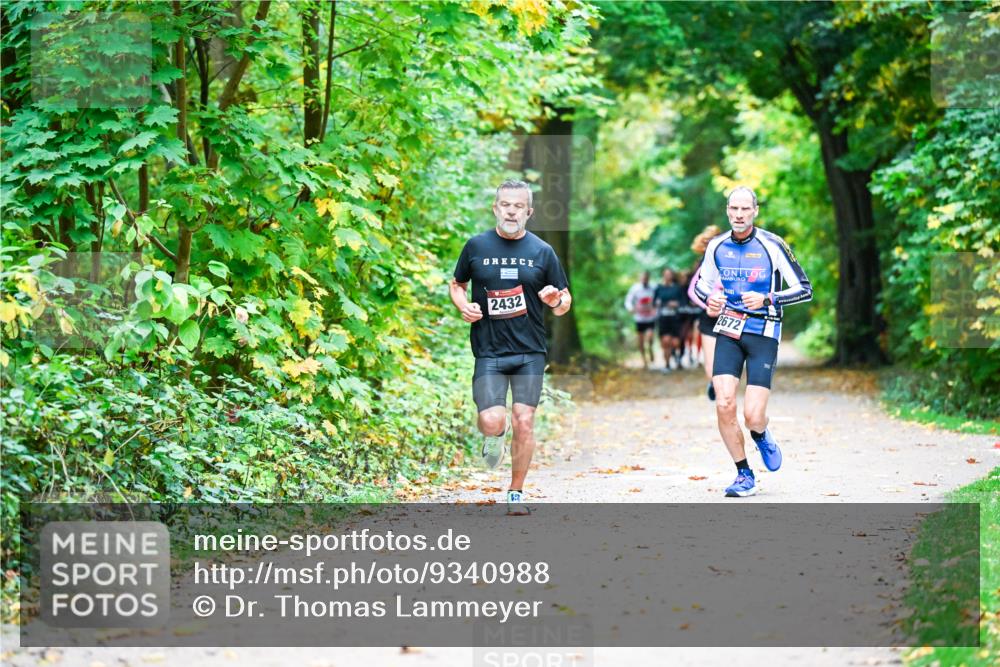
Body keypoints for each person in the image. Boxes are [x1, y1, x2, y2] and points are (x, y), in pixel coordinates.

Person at [450, 179, 572, 515]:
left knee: (524, 419)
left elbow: (564, 301)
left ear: (529, 212)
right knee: (492, 419)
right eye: (506, 204)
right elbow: (457, 285)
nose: (511, 210)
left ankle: (516, 491)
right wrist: (463, 305)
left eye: (519, 206)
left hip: (529, 351)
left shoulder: (542, 252)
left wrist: (555, 300)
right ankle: (492, 437)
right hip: (488, 350)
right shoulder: (476, 247)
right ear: (495, 208)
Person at [694, 187, 812, 498]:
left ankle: (760, 432)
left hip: (764, 331)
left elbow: (804, 288)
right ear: (727, 210)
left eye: (745, 209)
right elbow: (702, 286)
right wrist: (712, 299)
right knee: (724, 403)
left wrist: (767, 298)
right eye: (733, 208)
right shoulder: (717, 245)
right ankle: (743, 473)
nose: (739, 214)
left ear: (755, 211)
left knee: (752, 415)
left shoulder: (772, 244)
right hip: (729, 330)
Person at [687, 225, 722, 400]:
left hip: (732, 317)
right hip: (709, 317)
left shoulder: (734, 261)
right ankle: (716, 387)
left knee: (728, 361)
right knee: (711, 361)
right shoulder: (704, 265)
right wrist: (708, 304)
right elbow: (692, 291)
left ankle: (723, 388)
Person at [624, 271, 657, 368]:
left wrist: (656, 309)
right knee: (641, 340)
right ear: (639, 278)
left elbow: (658, 299)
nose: (644, 279)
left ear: (648, 278)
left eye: (646, 278)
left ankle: (650, 348)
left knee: (650, 336)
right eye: (642, 278)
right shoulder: (635, 288)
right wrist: (630, 309)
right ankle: (644, 360)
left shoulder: (654, 287)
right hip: (639, 318)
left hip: (650, 317)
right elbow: (628, 300)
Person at [654, 268, 684, 372]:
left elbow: (683, 301)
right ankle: (667, 365)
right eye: (665, 274)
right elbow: (654, 301)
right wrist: (657, 304)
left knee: (675, 342)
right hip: (663, 318)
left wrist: (676, 304)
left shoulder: (677, 288)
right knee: (665, 341)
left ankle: (676, 356)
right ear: (663, 275)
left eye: (669, 274)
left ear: (672, 276)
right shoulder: (659, 288)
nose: (667, 276)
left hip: (675, 318)